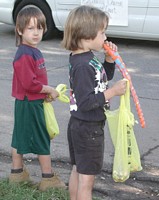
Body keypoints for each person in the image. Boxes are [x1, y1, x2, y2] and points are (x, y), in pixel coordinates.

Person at [62, 5, 127, 200]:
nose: (105, 38)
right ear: (87, 35)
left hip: (81, 125)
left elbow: (100, 81)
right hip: (88, 128)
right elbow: (87, 102)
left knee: (78, 169)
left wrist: (108, 60)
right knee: (87, 180)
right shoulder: (82, 65)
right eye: (102, 33)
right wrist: (113, 92)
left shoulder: (85, 58)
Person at [9, 5, 66, 191]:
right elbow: (29, 84)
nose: (36, 33)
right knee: (40, 138)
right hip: (29, 103)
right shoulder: (24, 54)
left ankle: (17, 174)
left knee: (20, 136)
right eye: (30, 28)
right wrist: (48, 89)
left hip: (30, 102)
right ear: (19, 30)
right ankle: (48, 179)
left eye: (39, 28)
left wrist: (45, 94)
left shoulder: (32, 50)